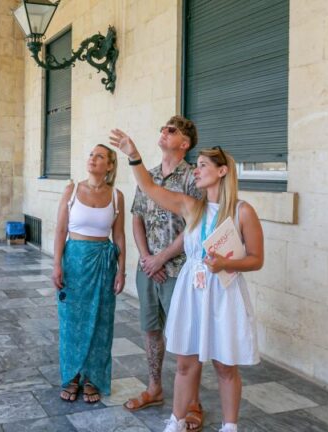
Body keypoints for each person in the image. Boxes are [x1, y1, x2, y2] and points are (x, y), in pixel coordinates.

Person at [109, 130, 264, 432]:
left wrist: (226, 263)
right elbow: (149, 187)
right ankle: (176, 421)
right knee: (185, 363)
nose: (197, 169)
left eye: (204, 165)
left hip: (223, 293)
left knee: (224, 365)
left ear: (222, 171)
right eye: (197, 165)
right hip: (192, 290)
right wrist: (133, 155)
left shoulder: (242, 212)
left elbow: (256, 258)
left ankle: (229, 427)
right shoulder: (193, 207)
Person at [123, 116, 205, 431]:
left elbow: (194, 227)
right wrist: (146, 258)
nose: (163, 132)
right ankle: (155, 388)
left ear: (184, 143)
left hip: (179, 270)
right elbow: (137, 218)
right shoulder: (149, 176)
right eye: (162, 128)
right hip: (148, 269)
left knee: (187, 338)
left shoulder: (192, 177)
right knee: (151, 330)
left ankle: (193, 402)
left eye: (171, 130)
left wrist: (162, 259)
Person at [52, 144, 126, 404]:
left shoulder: (117, 196)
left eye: (100, 156)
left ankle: (93, 377)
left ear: (110, 165)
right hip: (74, 260)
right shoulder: (72, 190)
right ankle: (72, 376)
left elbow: (119, 236)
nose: (93, 159)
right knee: (72, 320)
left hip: (103, 264)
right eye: (91, 154)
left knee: (101, 322)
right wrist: (57, 265)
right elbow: (60, 230)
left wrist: (122, 270)